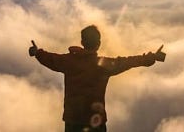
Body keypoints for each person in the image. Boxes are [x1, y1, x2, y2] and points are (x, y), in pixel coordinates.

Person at [28, 25, 166, 132]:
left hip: (73, 122)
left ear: (82, 41)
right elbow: (129, 61)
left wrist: (36, 52)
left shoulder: (68, 61)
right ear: (98, 43)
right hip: (95, 122)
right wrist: (151, 57)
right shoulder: (104, 65)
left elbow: (50, 59)